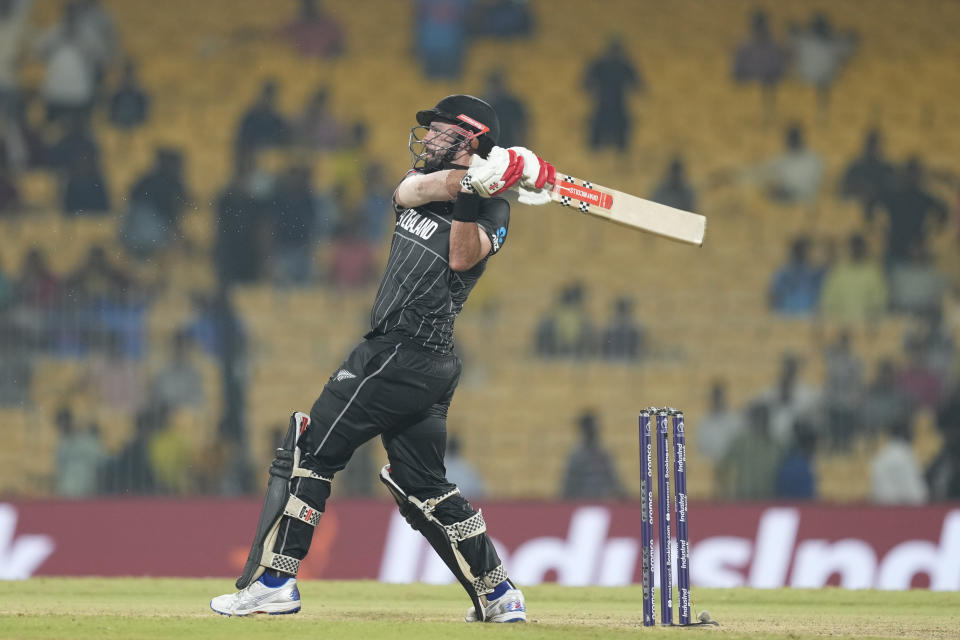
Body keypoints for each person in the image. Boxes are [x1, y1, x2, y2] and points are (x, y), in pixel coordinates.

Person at [211, 94, 560, 622]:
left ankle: (276, 582)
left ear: (469, 138)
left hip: (400, 351)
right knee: (422, 483)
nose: (429, 139)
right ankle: (498, 593)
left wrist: (483, 189)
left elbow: (463, 256)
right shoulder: (425, 184)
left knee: (311, 453)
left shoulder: (495, 211)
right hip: (417, 362)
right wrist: (475, 178)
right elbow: (412, 189)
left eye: (441, 131)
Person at [583, 37, 643, 152]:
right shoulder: (602, 64)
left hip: (615, 105)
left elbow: (637, 84)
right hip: (605, 105)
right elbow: (586, 83)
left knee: (620, 137)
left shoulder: (621, 65)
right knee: (599, 137)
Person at [732, 10, 788, 122]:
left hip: (767, 88)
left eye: (761, 25)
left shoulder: (775, 47)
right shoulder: (745, 49)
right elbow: (737, 74)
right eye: (758, 26)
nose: (761, 29)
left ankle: (768, 116)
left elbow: (781, 71)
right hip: (751, 92)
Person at [819, 234, 887, 323]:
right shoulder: (838, 272)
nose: (856, 250)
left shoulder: (874, 272)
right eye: (854, 247)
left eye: (859, 248)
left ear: (864, 249)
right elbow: (827, 303)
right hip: (840, 326)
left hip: (867, 326)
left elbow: (880, 302)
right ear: (849, 249)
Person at [560, 411, 624, 500]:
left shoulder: (604, 455)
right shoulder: (576, 457)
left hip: (603, 503)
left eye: (594, 428)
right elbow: (568, 488)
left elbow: (615, 483)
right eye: (590, 428)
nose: (593, 431)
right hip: (581, 504)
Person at [871, 418, 928, 504]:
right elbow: (917, 492)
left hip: (884, 508)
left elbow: (877, 490)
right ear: (904, 432)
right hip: (907, 509)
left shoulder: (881, 457)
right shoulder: (908, 456)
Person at [768, 235, 825, 315]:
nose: (803, 253)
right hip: (787, 317)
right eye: (800, 250)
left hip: (808, 317)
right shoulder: (784, 273)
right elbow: (773, 296)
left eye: (804, 251)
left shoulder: (814, 273)